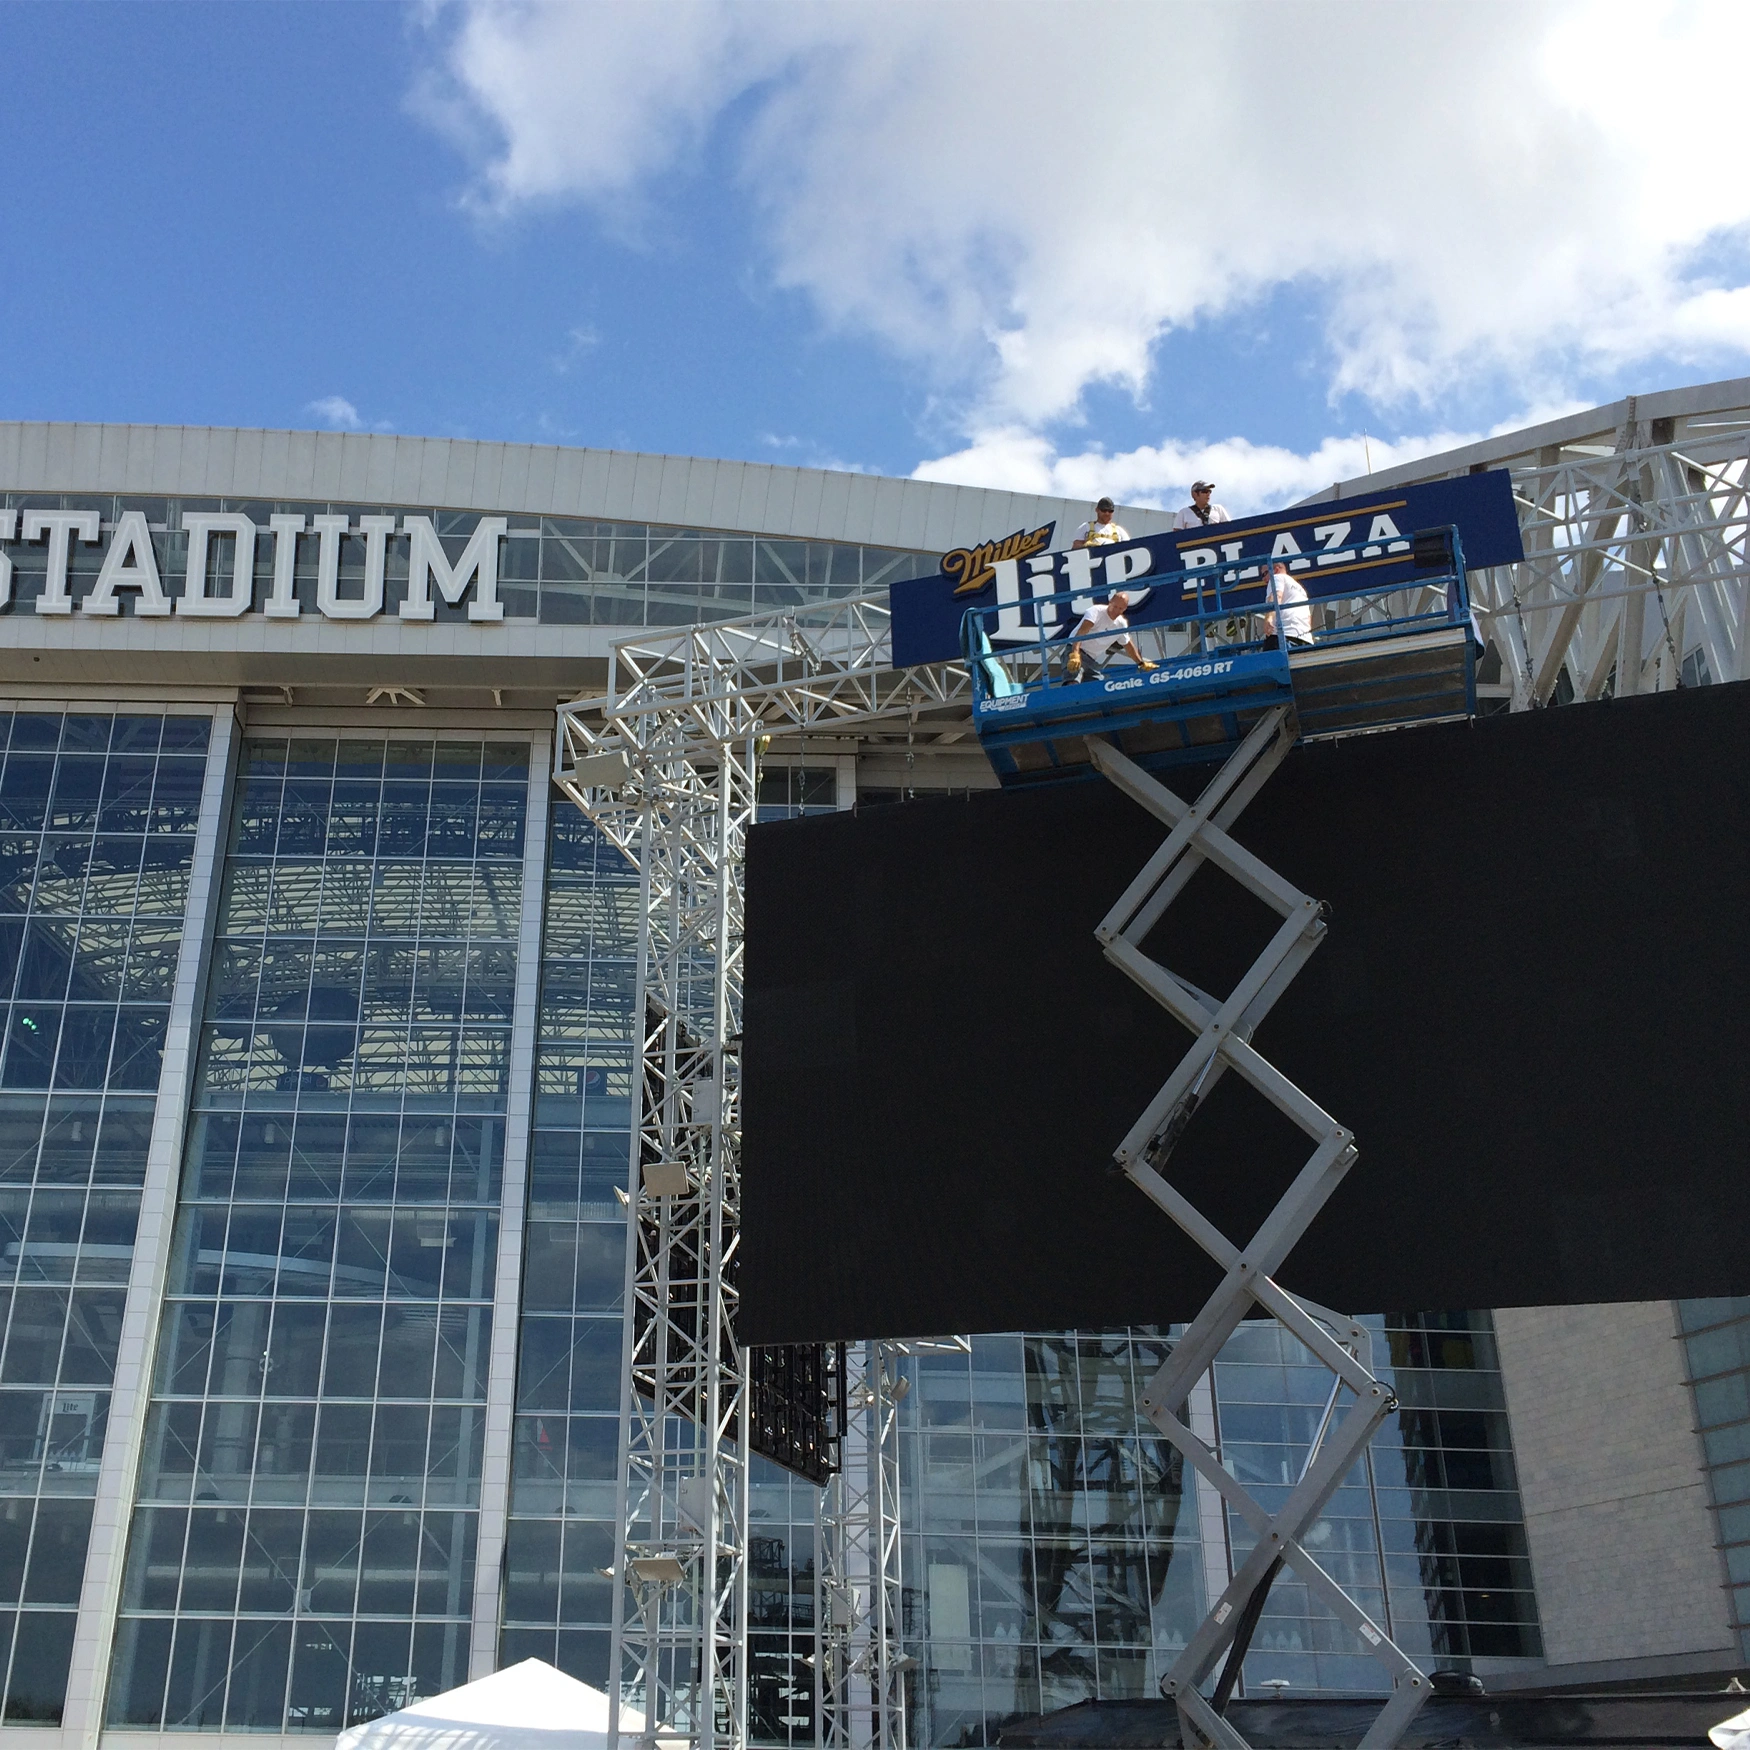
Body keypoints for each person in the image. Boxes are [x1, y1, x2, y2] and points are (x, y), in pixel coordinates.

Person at [1065, 589, 1157, 681]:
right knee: (1073, 680)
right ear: (1110, 602)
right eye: (1115, 606)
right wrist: (1075, 654)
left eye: (1120, 608)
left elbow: (1128, 645)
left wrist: (1141, 663)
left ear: (1125, 609)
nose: (1116, 610)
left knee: (1099, 686)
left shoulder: (1121, 623)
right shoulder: (1096, 611)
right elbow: (1081, 632)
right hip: (1075, 650)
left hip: (1091, 659)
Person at [1261, 562, 1315, 648]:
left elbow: (1276, 596)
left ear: (1276, 569)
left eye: (1265, 573)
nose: (1263, 579)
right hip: (1305, 638)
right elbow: (1308, 617)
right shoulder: (1300, 588)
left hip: (1283, 635)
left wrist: (1269, 618)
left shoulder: (1276, 577)